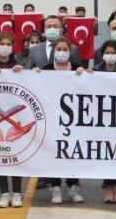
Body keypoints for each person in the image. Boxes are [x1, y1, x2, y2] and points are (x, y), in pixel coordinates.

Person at [33, 37, 86, 204]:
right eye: (59, 49)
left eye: (65, 49)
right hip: (52, 117)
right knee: (53, 150)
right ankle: (55, 187)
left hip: (75, 118)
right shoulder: (46, 69)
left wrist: (86, 75)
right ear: (54, 51)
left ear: (70, 52)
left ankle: (73, 186)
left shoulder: (79, 69)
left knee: (74, 151)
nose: (62, 53)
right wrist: (33, 74)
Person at [0, 32, 26, 208]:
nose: (5, 47)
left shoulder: (19, 64)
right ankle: (4, 194)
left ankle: (17, 194)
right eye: (2, 44)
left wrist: (21, 72)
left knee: (16, 155)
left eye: (9, 44)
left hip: (17, 113)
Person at [89, 40, 116, 203]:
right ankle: (108, 186)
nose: (110, 55)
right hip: (103, 117)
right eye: (107, 52)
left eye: (113, 52)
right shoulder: (96, 70)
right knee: (105, 151)